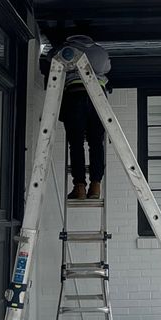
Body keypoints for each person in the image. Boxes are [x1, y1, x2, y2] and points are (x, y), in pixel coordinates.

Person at [53, 33, 112, 201]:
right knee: (96, 143)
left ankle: (79, 187)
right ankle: (95, 186)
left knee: (76, 143)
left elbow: (52, 59)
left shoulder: (66, 49)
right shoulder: (101, 52)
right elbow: (107, 69)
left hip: (75, 94)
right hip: (98, 98)